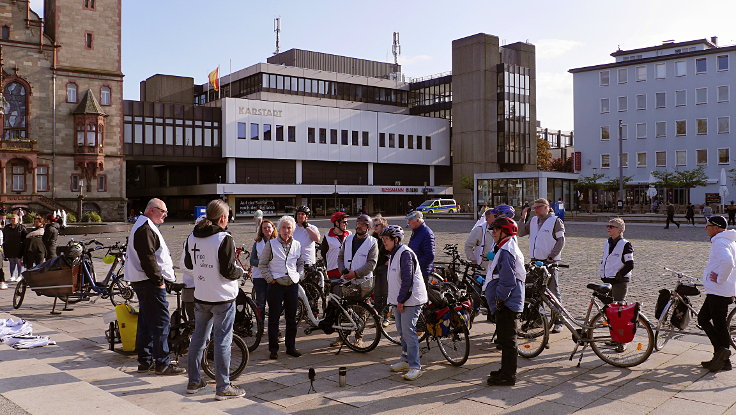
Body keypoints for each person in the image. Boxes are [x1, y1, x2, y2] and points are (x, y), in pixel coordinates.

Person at [181, 199, 246, 400]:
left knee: (198, 338)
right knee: (222, 341)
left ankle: (193, 381)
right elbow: (228, 271)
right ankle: (223, 386)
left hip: (201, 295)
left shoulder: (193, 236)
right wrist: (241, 272)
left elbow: (188, 264)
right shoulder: (224, 238)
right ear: (223, 218)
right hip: (222, 297)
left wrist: (204, 272)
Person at [124, 198, 184, 375]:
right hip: (149, 282)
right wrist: (159, 281)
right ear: (152, 210)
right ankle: (162, 363)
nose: (165, 215)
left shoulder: (145, 225)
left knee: (146, 321)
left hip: (144, 281)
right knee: (160, 323)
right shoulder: (145, 228)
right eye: (163, 211)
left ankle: (145, 360)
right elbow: (148, 259)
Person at [483, 217, 526, 386]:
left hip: (507, 302)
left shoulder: (507, 250)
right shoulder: (504, 247)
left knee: (508, 341)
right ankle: (505, 370)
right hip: (506, 301)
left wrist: (499, 299)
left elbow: (508, 281)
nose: (492, 233)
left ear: (504, 232)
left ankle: (509, 375)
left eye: (495, 230)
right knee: (504, 339)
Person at [382, 225, 428, 381]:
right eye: (382, 239)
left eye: (386, 239)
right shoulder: (394, 253)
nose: (384, 242)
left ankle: (415, 366)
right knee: (402, 331)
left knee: (409, 332)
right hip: (400, 300)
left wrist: (401, 300)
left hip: (410, 299)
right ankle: (405, 359)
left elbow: (407, 280)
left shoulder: (405, 254)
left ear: (396, 240)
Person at [258, 215, 305, 360]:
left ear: (292, 230)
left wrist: (300, 275)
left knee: (291, 318)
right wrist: (270, 279)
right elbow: (262, 264)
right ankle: (273, 349)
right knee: (274, 318)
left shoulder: (297, 244)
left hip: (292, 284)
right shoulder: (271, 244)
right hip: (276, 285)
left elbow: (300, 262)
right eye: (283, 227)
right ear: (279, 229)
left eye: (289, 228)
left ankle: (291, 347)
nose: (286, 230)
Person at [519, 198, 566, 333]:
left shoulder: (555, 221)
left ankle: (558, 320)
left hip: (549, 262)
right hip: (535, 261)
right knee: (534, 292)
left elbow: (561, 240)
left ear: (546, 207)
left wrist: (552, 256)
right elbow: (520, 232)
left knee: (552, 292)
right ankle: (538, 320)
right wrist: (523, 218)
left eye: (539, 207)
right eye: (534, 208)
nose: (536, 210)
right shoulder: (533, 220)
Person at [333, 214, 378, 347]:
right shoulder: (348, 239)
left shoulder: (372, 242)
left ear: (368, 227)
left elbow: (371, 263)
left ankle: (359, 337)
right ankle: (343, 336)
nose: (359, 227)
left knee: (362, 310)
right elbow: (340, 257)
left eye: (363, 225)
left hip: (363, 281)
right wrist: (343, 270)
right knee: (345, 309)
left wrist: (356, 273)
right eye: (358, 224)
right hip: (347, 279)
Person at [699, 216, 736, 372]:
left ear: (716, 227)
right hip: (721, 290)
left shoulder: (720, 242)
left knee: (717, 324)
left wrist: (720, 279)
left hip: (719, 291)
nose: (706, 228)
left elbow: (729, 262)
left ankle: (723, 356)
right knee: (707, 320)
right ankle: (720, 356)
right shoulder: (728, 240)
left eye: (708, 225)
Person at [465, 205, 515, 271]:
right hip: (483, 269)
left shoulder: (506, 231)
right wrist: (473, 260)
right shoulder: (479, 230)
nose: (497, 218)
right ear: (487, 218)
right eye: (495, 216)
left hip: (499, 268)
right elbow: (468, 246)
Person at [249, 219, 277, 328]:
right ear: (261, 230)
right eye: (264, 228)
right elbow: (252, 260)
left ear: (273, 228)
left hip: (273, 277)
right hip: (260, 277)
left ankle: (274, 328)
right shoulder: (257, 243)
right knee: (260, 303)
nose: (266, 229)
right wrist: (264, 263)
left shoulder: (278, 241)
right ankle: (260, 328)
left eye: (268, 227)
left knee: (274, 304)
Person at [599, 218, 634, 302]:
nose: (608, 228)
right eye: (608, 226)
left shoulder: (625, 244)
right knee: (608, 307)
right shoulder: (607, 242)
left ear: (620, 230)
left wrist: (619, 276)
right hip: (607, 279)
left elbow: (630, 264)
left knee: (617, 307)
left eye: (611, 226)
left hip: (619, 282)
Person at [371, 214, 391, 325]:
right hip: (375, 268)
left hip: (385, 267)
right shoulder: (373, 237)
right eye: (374, 225)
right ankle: (377, 316)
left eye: (377, 225)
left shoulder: (388, 236)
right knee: (377, 293)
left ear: (383, 225)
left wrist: (390, 259)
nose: (374, 227)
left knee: (386, 293)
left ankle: (386, 317)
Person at [406, 210, 435, 282]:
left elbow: (429, 255)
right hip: (415, 270)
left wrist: (415, 265)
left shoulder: (427, 233)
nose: (408, 223)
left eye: (410, 220)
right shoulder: (416, 232)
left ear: (418, 220)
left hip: (422, 272)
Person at [320, 211, 351, 280]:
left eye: (346, 222)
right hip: (333, 271)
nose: (346, 224)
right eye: (344, 222)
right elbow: (323, 253)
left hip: (347, 270)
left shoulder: (349, 234)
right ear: (337, 223)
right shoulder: (327, 236)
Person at [3, 213, 26, 281]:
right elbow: (4, 236)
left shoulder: (21, 227)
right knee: (11, 262)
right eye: (11, 218)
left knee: (19, 262)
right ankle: (12, 275)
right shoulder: (7, 227)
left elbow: (25, 238)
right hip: (9, 247)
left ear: (18, 220)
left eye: (14, 218)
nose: (12, 220)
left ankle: (19, 275)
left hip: (19, 248)